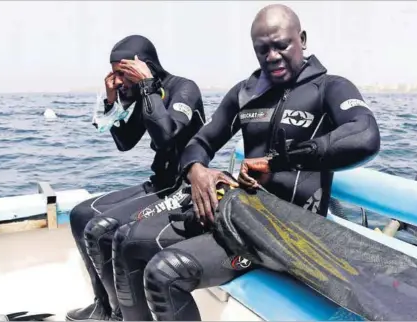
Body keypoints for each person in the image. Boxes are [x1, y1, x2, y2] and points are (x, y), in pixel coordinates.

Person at [110, 4, 380, 321]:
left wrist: (281, 161)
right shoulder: (246, 93)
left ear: (302, 39)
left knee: (165, 272)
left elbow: (365, 136)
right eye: (262, 49)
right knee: (125, 241)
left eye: (282, 45)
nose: (273, 56)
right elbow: (201, 141)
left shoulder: (330, 88)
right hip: (241, 218)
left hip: (288, 235)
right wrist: (197, 170)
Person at [66, 34, 206, 321]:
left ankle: (120, 314)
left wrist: (145, 87)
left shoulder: (183, 88)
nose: (118, 80)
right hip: (160, 184)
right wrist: (111, 101)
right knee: (80, 215)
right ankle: (103, 305)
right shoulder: (147, 92)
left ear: (144, 65)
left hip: (185, 188)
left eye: (122, 73)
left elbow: (167, 136)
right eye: (114, 74)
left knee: (99, 230)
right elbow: (125, 141)